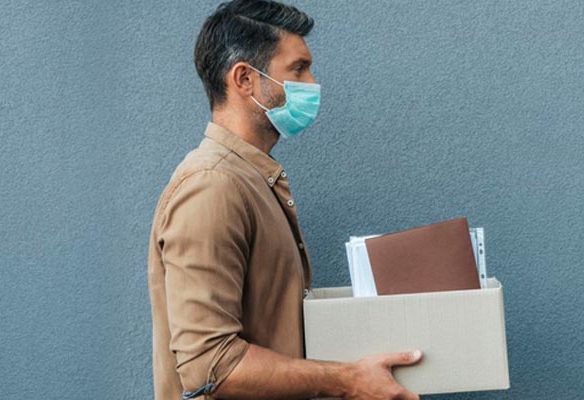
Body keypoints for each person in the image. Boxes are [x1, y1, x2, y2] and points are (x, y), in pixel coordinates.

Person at [147, 1, 422, 398]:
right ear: (245, 79)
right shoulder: (212, 186)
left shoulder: (251, 178)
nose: (311, 84)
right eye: (297, 69)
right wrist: (348, 380)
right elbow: (210, 365)